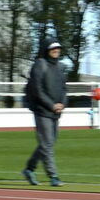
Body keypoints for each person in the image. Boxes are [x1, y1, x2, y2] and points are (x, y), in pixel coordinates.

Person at [22, 39, 67, 186]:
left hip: (56, 110)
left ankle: (29, 168)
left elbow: (63, 89)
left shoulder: (60, 67)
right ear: (47, 50)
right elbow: (37, 89)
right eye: (53, 49)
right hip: (42, 110)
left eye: (58, 48)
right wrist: (51, 105)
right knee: (47, 144)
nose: (56, 51)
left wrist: (62, 104)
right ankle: (53, 176)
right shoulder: (40, 64)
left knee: (48, 143)